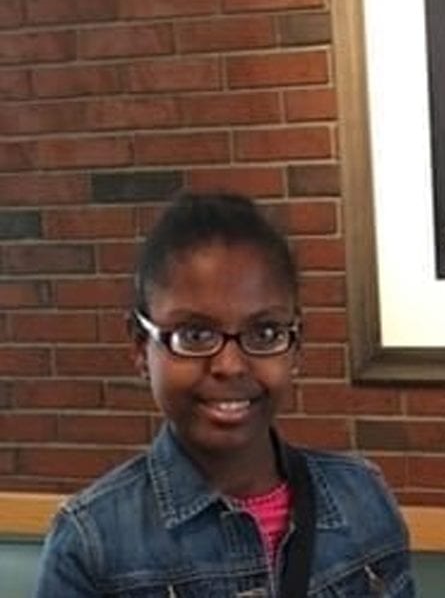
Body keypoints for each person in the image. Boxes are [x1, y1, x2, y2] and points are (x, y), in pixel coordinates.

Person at [34, 193, 413, 596]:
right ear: (140, 346)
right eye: (195, 335)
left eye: (264, 333)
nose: (230, 365)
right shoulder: (92, 542)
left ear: (297, 345)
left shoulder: (362, 497)